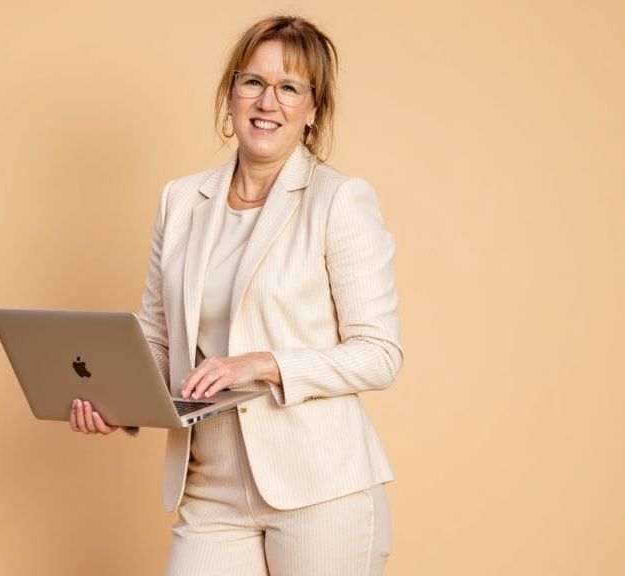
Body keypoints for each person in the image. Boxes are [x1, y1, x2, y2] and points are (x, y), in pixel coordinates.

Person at [69, 15, 403, 576]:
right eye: (253, 82)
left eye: (289, 87)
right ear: (230, 93)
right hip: (212, 488)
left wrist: (264, 363)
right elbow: (158, 339)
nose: (267, 102)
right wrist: (115, 400)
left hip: (321, 489)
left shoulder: (339, 200)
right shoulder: (181, 201)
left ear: (313, 109)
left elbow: (380, 354)